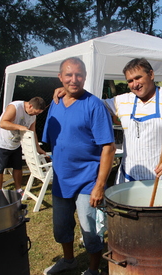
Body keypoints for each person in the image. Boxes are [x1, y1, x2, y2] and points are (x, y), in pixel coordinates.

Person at [54, 58, 162, 184]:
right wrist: (71, 91)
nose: (135, 84)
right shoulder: (121, 101)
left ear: (151, 74)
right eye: (130, 81)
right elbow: (92, 105)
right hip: (128, 178)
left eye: (138, 78)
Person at [42, 57, 115, 275]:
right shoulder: (55, 103)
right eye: (69, 75)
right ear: (60, 77)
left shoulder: (94, 105)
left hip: (87, 180)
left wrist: (100, 185)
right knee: (62, 227)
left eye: (79, 75)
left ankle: (93, 269)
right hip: (62, 179)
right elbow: (53, 139)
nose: (74, 79)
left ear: (85, 77)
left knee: (90, 229)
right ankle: (69, 260)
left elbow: (108, 148)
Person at [0, 97, 46, 193]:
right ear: (30, 106)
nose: (36, 115)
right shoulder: (15, 106)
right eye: (36, 112)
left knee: (18, 167)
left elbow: (32, 132)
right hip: (0, 142)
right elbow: (3, 123)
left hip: (15, 144)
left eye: (38, 113)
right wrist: (20, 127)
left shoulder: (33, 116)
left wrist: (38, 148)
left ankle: (18, 189)